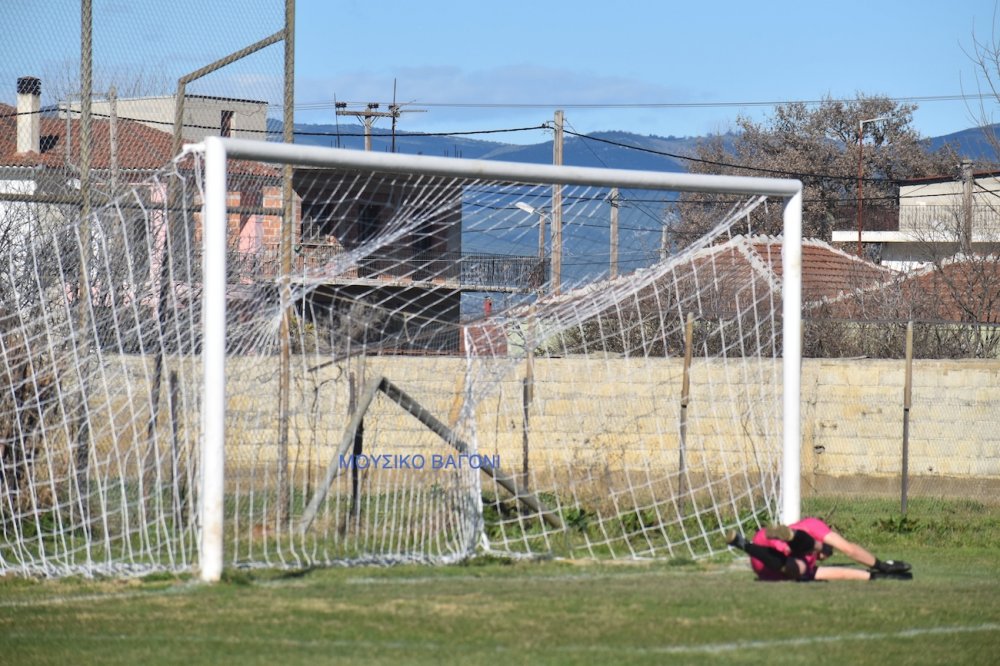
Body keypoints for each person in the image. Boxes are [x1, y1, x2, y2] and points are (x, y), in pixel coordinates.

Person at [726, 517, 913, 582]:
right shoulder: (813, 525)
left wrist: (872, 576)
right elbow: (849, 549)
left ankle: (744, 544)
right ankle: (792, 537)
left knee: (799, 567)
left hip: (764, 560)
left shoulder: (810, 564)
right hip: (770, 555)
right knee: (801, 562)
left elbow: (836, 573)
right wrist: (880, 565)